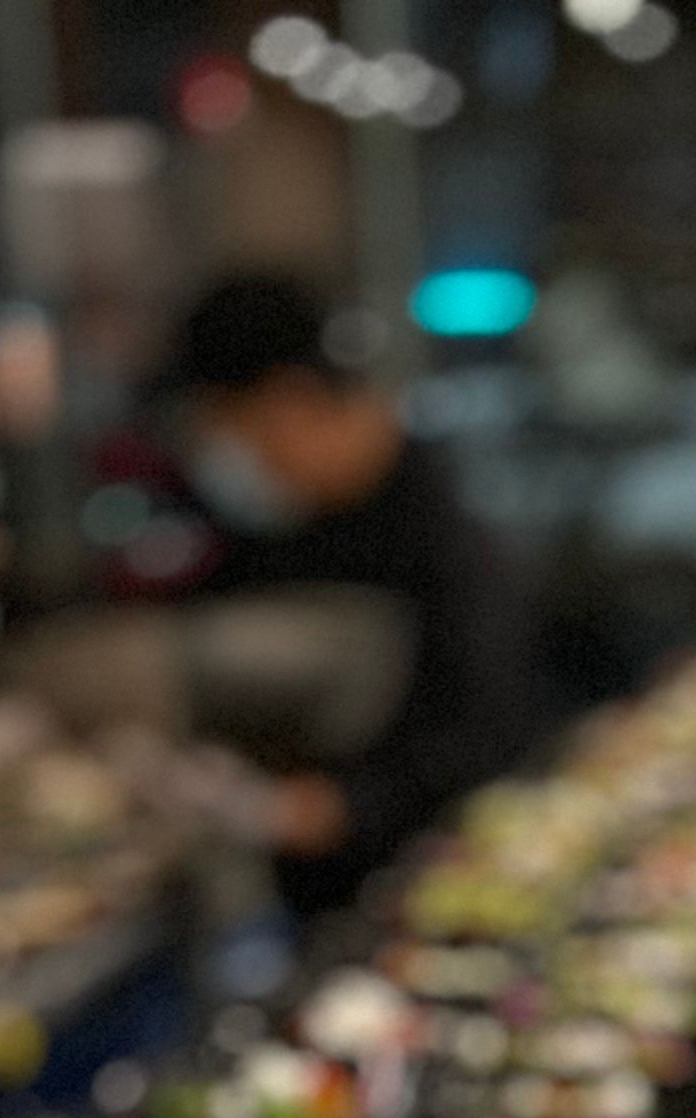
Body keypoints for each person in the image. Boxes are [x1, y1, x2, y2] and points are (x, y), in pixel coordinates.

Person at [161, 273, 524, 903]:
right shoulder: (281, 527)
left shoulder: (442, 535)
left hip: (426, 895)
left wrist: (340, 809)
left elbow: (487, 734)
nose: (245, 464)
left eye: (243, 438)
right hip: (308, 900)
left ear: (291, 402)